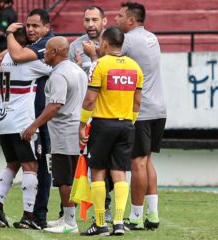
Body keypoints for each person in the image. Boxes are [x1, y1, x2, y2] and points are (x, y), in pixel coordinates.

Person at [0, 8, 54, 229]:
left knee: (11, 163)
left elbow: (11, 54)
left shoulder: (5, 57)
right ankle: (28, 215)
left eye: (36, 26)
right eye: (29, 28)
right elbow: (55, 65)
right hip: (23, 120)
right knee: (31, 166)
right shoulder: (30, 60)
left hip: (3, 117)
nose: (31, 30)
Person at [79, 26, 143, 236]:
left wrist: (82, 124)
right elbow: (137, 102)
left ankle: (99, 223)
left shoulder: (100, 65)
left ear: (104, 43)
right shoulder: (135, 67)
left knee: (98, 171)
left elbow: (90, 99)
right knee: (120, 173)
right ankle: (118, 222)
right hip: (126, 124)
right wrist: (130, 122)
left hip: (103, 124)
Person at [22, 36, 87, 234]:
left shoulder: (59, 75)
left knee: (64, 178)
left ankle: (70, 223)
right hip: (76, 128)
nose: (44, 53)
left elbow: (55, 106)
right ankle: (66, 218)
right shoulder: (77, 70)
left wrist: (33, 126)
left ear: (56, 52)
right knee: (70, 177)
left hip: (64, 131)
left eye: (48, 50)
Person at [115, 2, 167, 230]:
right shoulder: (152, 37)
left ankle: (135, 217)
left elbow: (108, 57)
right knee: (147, 161)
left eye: (119, 15)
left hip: (142, 110)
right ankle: (153, 215)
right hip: (159, 108)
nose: (115, 18)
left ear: (131, 20)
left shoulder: (128, 40)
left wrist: (91, 52)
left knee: (137, 162)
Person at [66, 5, 114, 225]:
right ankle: (68, 212)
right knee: (81, 164)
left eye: (95, 19)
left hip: (108, 115)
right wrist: (76, 70)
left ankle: (105, 209)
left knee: (109, 168)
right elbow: (67, 79)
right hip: (84, 116)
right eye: (87, 20)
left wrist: (94, 57)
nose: (90, 24)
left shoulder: (114, 44)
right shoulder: (75, 46)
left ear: (104, 21)